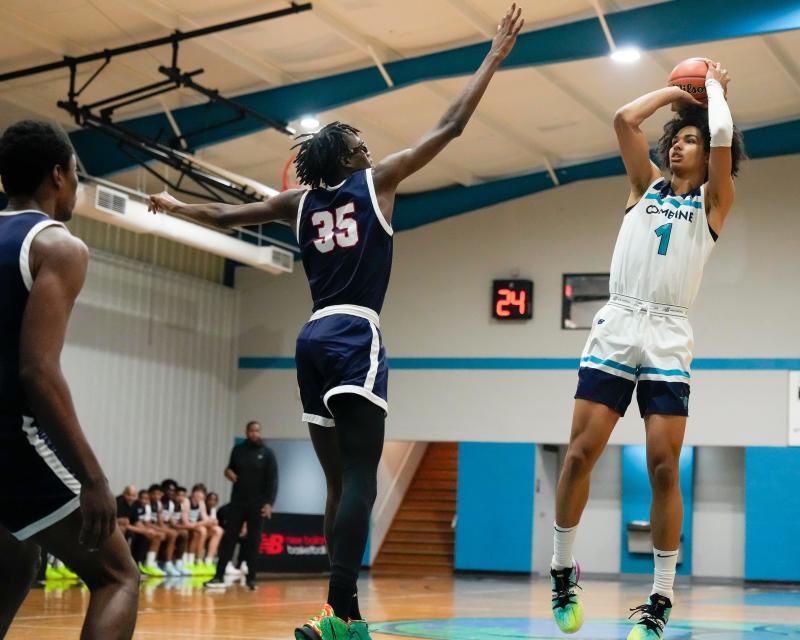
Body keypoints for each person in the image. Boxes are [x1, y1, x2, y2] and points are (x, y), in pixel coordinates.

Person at [147, 6, 523, 638]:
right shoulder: (375, 183)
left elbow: (229, 215)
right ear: (344, 157)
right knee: (360, 481)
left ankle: (340, 611)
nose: (368, 147)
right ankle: (340, 610)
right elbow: (453, 125)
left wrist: (176, 203)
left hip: (311, 338)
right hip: (354, 332)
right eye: (358, 144)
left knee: (335, 481)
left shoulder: (297, 203)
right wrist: (494, 56)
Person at [549, 62, 745, 640]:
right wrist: (677, 93)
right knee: (580, 454)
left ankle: (660, 598)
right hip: (618, 322)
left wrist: (710, 97)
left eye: (691, 140)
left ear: (708, 154)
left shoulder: (715, 203)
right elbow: (622, 119)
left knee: (664, 466)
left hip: (667, 334)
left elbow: (725, 137)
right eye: (676, 140)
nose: (680, 147)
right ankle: (563, 569)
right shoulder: (643, 186)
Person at [0, 119, 139, 639]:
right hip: (12, 441)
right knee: (118, 576)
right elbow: (37, 370)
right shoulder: (58, 246)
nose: (77, 186)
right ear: (58, 175)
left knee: (14, 565)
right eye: (77, 174)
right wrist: (93, 478)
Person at [203, 420, 277, 591]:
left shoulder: (267, 453)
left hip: (257, 504)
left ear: (260, 432)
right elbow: (229, 469)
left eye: (257, 431)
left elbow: (273, 481)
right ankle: (218, 576)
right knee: (229, 539)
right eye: (251, 431)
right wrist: (227, 472)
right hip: (237, 502)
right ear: (246, 432)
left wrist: (269, 503)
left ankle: (251, 578)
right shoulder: (238, 450)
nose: (254, 434)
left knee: (253, 541)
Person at [115, 485, 164, 577]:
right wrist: (144, 531)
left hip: (129, 528)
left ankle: (140, 565)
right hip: (116, 529)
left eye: (133, 495)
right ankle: (124, 566)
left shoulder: (134, 504)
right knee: (131, 534)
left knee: (146, 537)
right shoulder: (118, 502)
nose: (131, 498)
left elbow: (136, 521)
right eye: (128, 495)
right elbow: (123, 523)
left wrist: (147, 530)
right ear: (124, 493)